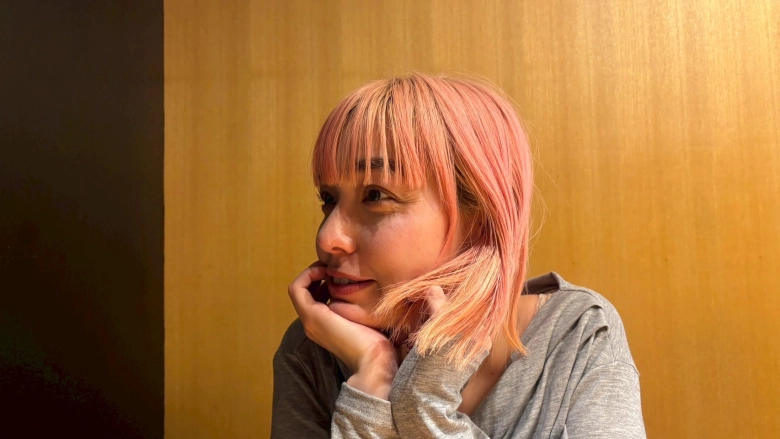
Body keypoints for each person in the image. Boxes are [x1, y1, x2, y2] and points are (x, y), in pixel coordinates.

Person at [271, 72, 646, 438]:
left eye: (375, 195)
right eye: (328, 199)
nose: (327, 238)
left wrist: (425, 404)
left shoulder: (577, 334)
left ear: (480, 214)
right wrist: (373, 372)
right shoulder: (314, 348)